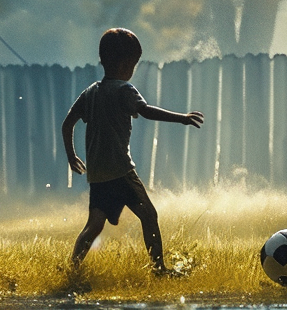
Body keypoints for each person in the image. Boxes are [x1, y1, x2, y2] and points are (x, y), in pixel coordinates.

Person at [62, 27, 204, 275]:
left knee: (93, 226)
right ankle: (158, 269)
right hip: (121, 171)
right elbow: (146, 111)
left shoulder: (91, 92)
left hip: (98, 176)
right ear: (127, 63)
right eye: (134, 63)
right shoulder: (124, 90)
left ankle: (71, 269)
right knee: (149, 215)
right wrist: (181, 118)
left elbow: (67, 123)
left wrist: (71, 155)